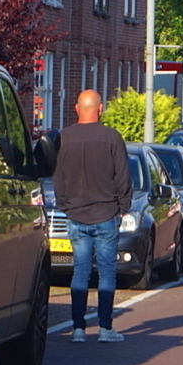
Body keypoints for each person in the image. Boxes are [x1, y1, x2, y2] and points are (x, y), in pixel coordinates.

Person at [54, 90, 132, 343]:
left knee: (80, 272)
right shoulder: (111, 137)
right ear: (100, 109)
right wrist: (123, 207)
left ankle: (77, 329)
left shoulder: (63, 138)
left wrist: (66, 205)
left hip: (76, 214)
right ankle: (105, 328)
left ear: (77, 108)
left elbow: (58, 178)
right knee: (107, 271)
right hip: (106, 212)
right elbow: (123, 176)